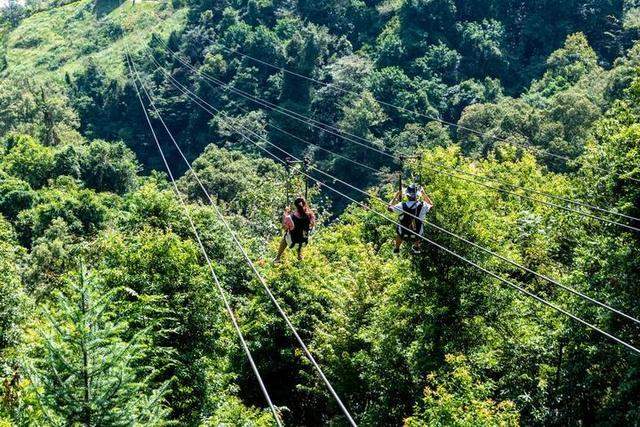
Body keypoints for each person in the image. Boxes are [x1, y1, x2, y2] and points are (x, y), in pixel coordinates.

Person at [388, 184, 433, 254]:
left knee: (399, 230)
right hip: (417, 233)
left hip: (403, 232)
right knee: (418, 226)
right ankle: (417, 246)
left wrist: (396, 196)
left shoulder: (401, 205)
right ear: (417, 195)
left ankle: (397, 248)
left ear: (407, 195)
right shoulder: (423, 205)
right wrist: (424, 194)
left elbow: (389, 208)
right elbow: (431, 205)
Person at [274, 196, 316, 263]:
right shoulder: (310, 215)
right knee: (300, 232)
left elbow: (284, 228)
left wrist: (285, 215)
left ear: (295, 206)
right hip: (304, 242)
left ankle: (278, 258)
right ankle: (299, 255)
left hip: (292, 243)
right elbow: (312, 225)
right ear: (304, 204)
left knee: (286, 236)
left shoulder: (290, 217)